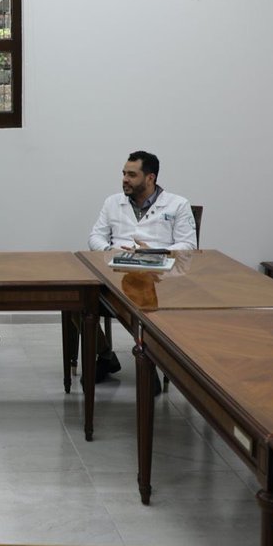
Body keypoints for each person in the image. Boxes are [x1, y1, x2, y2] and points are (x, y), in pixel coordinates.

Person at [88, 151, 197, 382]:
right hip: (116, 273)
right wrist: (111, 251)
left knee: (144, 300)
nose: (125, 179)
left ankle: (149, 361)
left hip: (157, 277)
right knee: (78, 302)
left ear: (150, 178)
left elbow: (188, 245)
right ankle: (105, 355)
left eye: (132, 174)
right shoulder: (112, 202)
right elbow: (95, 237)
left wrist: (156, 252)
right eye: (124, 173)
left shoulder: (178, 204)